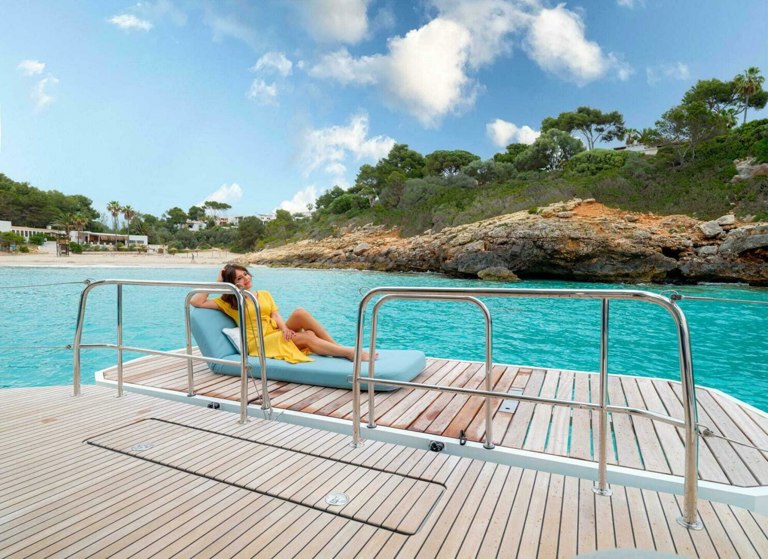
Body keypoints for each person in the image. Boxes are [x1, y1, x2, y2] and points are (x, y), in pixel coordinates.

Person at [191, 264, 373, 362]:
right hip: (259, 342)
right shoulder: (229, 302)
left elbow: (275, 315)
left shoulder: (263, 294)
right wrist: (219, 282)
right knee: (307, 337)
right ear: (232, 283)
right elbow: (196, 301)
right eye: (239, 278)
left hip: (274, 331)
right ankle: (349, 353)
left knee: (300, 313)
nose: (246, 278)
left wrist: (285, 329)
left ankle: (335, 346)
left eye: (245, 274)